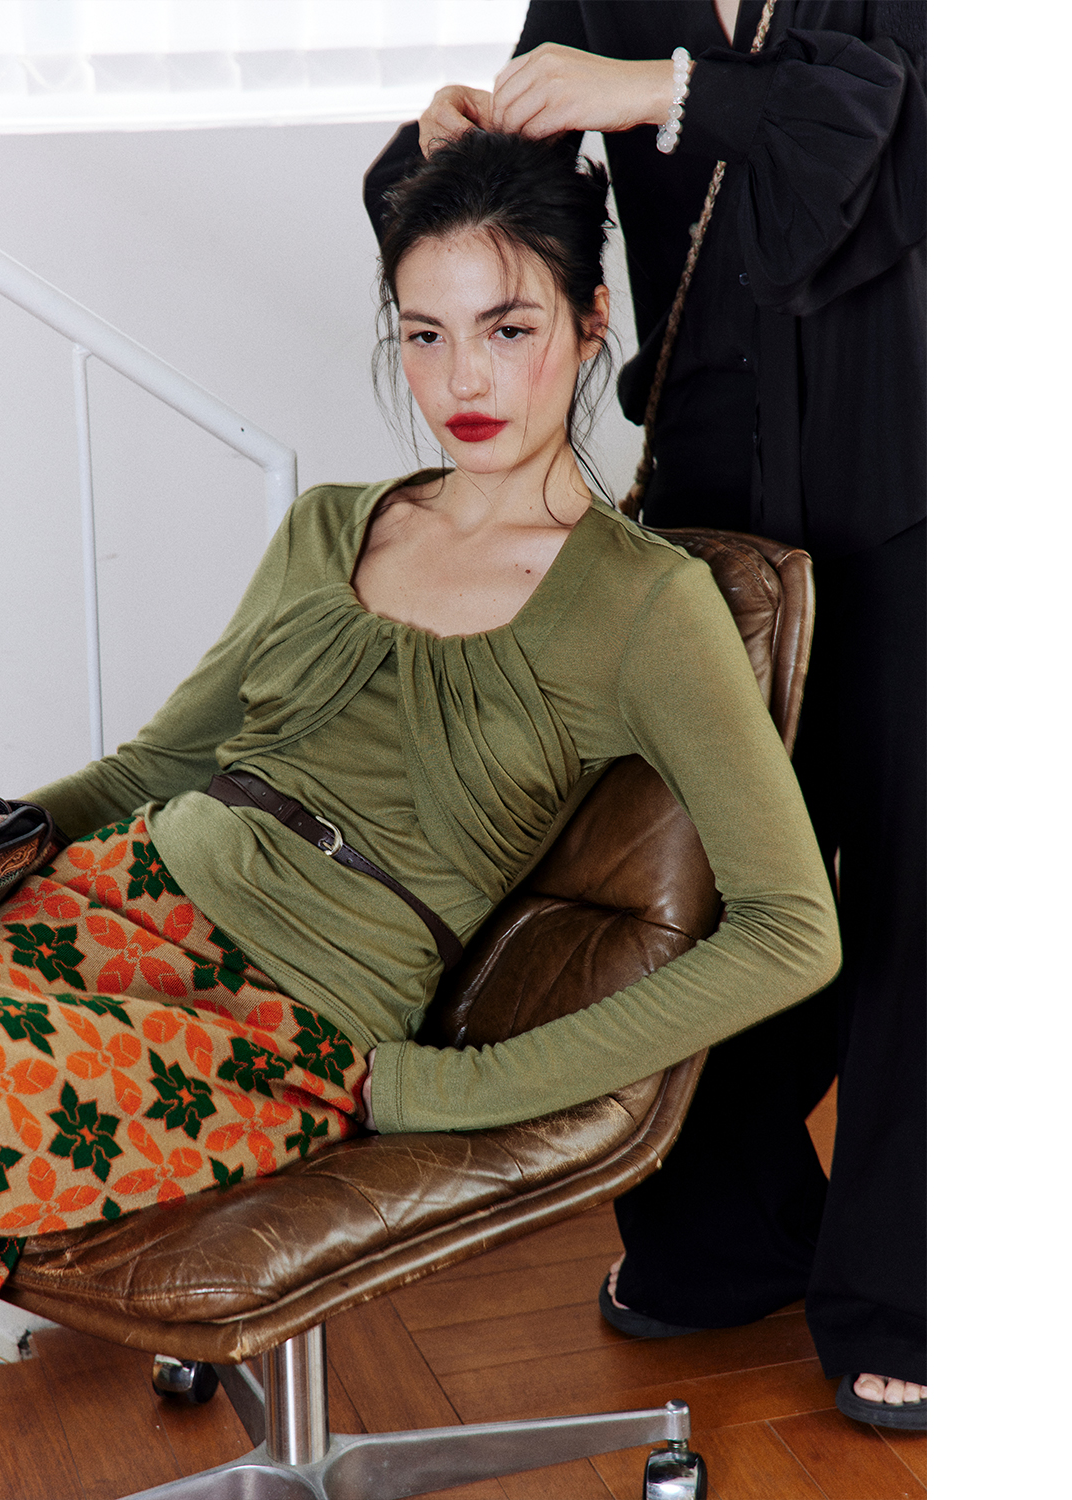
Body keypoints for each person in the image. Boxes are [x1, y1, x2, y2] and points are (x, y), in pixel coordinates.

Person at [0, 130, 840, 1433]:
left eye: (508, 329)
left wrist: (460, 1091)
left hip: (279, 1025)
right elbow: (155, 767)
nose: (462, 378)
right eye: (425, 335)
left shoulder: (649, 605)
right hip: (106, 901)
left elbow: (792, 930)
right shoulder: (330, 525)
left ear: (591, 323)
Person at [361, 0, 926, 1428]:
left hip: (910, 481)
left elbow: (900, 151)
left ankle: (907, 1293)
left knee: (918, 897)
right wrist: (435, 155)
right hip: (710, 491)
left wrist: (664, 89)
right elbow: (526, 222)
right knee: (690, 879)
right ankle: (722, 1242)